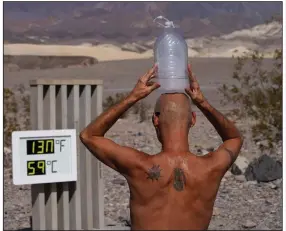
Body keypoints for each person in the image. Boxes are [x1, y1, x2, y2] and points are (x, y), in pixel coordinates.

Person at [80, 64, 243, 230]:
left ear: (155, 120)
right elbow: (234, 138)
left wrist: (133, 97)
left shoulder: (139, 166)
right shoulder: (210, 168)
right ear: (193, 119)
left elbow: (89, 136)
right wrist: (203, 103)